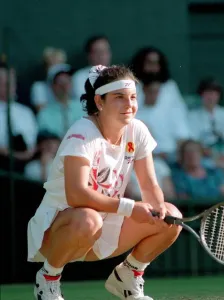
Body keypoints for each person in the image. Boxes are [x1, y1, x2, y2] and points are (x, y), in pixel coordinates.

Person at [27, 64, 182, 300]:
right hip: (60, 229)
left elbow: (150, 186)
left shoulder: (137, 130)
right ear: (99, 102)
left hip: (106, 229)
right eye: (119, 97)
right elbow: (77, 195)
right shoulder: (82, 133)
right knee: (88, 219)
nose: (129, 104)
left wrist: (157, 207)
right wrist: (130, 207)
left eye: (132, 97)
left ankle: (128, 278)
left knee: (171, 217)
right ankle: (48, 280)